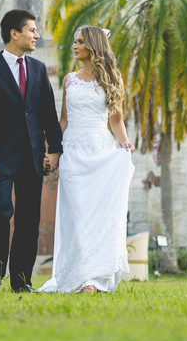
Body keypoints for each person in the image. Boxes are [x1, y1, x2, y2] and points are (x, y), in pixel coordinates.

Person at [0, 9, 64, 292]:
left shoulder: (38, 69)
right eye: (32, 30)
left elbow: (48, 113)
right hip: (0, 158)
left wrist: (55, 150)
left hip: (33, 159)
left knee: (28, 221)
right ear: (14, 33)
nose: (37, 35)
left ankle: (21, 281)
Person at [39, 26, 136, 294]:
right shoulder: (70, 80)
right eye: (74, 41)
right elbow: (63, 120)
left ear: (93, 45)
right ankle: (77, 274)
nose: (75, 46)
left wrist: (125, 143)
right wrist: (54, 150)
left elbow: (116, 119)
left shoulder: (113, 78)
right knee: (77, 216)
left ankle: (93, 279)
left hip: (100, 152)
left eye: (80, 41)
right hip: (73, 153)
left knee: (98, 216)